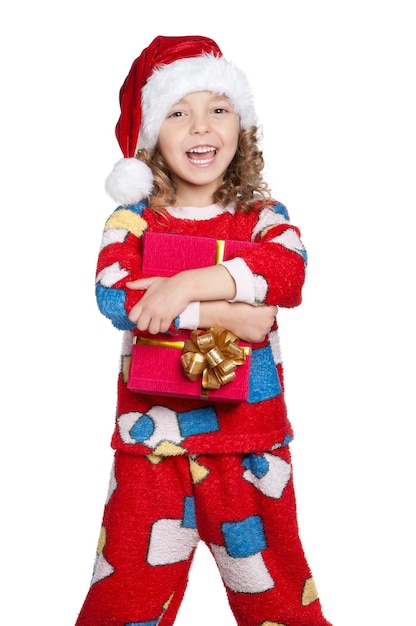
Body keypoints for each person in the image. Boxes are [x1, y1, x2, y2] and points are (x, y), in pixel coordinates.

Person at [75, 35, 332, 626]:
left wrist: (183, 285)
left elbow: (288, 274)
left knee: (278, 598)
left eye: (218, 109)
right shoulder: (133, 220)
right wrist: (230, 311)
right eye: (178, 112)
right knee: (123, 601)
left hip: (252, 445)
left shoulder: (265, 217)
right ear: (149, 137)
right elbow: (115, 295)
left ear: (240, 126)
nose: (201, 127)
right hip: (152, 446)